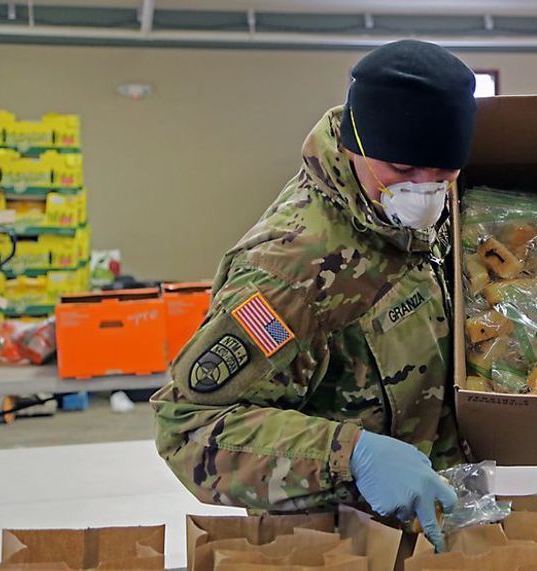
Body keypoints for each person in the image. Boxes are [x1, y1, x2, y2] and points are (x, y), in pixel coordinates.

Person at [150, 40, 477, 551]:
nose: (425, 192)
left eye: (443, 175)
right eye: (404, 173)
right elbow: (190, 429)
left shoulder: (431, 214)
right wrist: (351, 456)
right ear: (356, 146)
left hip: (433, 523)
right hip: (338, 542)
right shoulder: (290, 272)